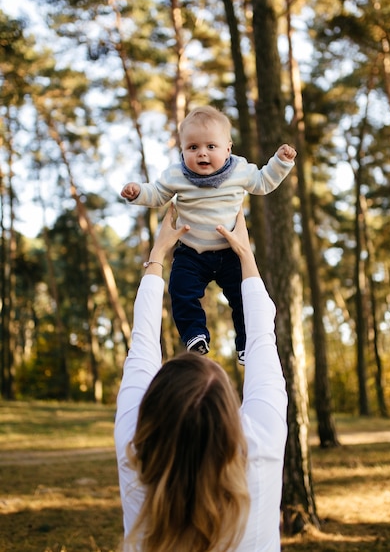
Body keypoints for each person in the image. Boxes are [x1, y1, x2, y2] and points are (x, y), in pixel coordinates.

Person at [114, 204, 288, 552]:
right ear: (230, 411)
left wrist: (157, 255)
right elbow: (260, 338)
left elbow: (143, 348)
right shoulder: (261, 444)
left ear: (155, 404)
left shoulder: (135, 451)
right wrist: (244, 256)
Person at [121, 105, 296, 365]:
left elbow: (262, 183)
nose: (202, 153)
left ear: (228, 149)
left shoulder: (240, 170)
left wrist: (280, 162)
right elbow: (157, 194)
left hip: (230, 252)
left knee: (242, 296)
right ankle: (195, 335)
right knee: (180, 290)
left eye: (211, 147)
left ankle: (246, 343)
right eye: (192, 147)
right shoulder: (176, 175)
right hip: (191, 253)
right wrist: (138, 193)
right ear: (182, 150)